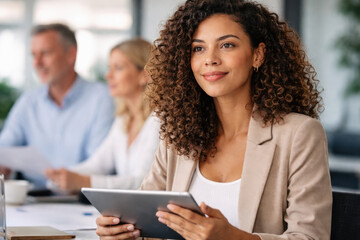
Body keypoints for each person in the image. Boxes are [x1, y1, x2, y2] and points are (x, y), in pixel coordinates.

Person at [96, 0, 332, 239]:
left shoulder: (300, 133)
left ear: (257, 55)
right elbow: (147, 223)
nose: (210, 59)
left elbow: (311, 236)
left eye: (227, 45)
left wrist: (233, 237)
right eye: (198, 48)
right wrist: (123, 230)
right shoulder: (178, 134)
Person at [0, 23, 114, 188]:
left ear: (71, 54)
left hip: (81, 200)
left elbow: (100, 165)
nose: (37, 63)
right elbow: (5, 148)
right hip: (33, 199)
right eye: (34, 55)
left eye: (45, 53)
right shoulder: (29, 101)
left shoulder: (101, 99)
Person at [45, 38, 160, 193]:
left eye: (118, 68)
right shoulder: (124, 120)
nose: (108, 75)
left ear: (144, 75)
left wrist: (84, 181)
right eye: (109, 68)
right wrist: (62, 175)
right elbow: (98, 164)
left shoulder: (158, 120)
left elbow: (143, 181)